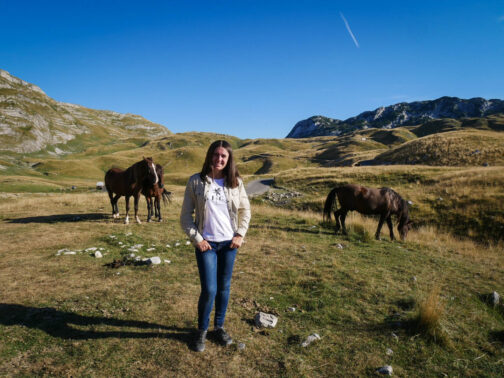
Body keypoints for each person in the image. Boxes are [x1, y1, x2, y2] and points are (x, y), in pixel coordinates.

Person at [180, 140, 251, 352]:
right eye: (216, 154)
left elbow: (245, 211)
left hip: (229, 244)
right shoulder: (196, 182)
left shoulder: (235, 182)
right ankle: (201, 330)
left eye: (223, 156)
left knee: (224, 287)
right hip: (207, 244)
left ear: (228, 160)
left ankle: (218, 327)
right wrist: (197, 239)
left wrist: (240, 234)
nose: (219, 159)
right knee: (209, 289)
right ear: (209, 155)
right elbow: (185, 216)